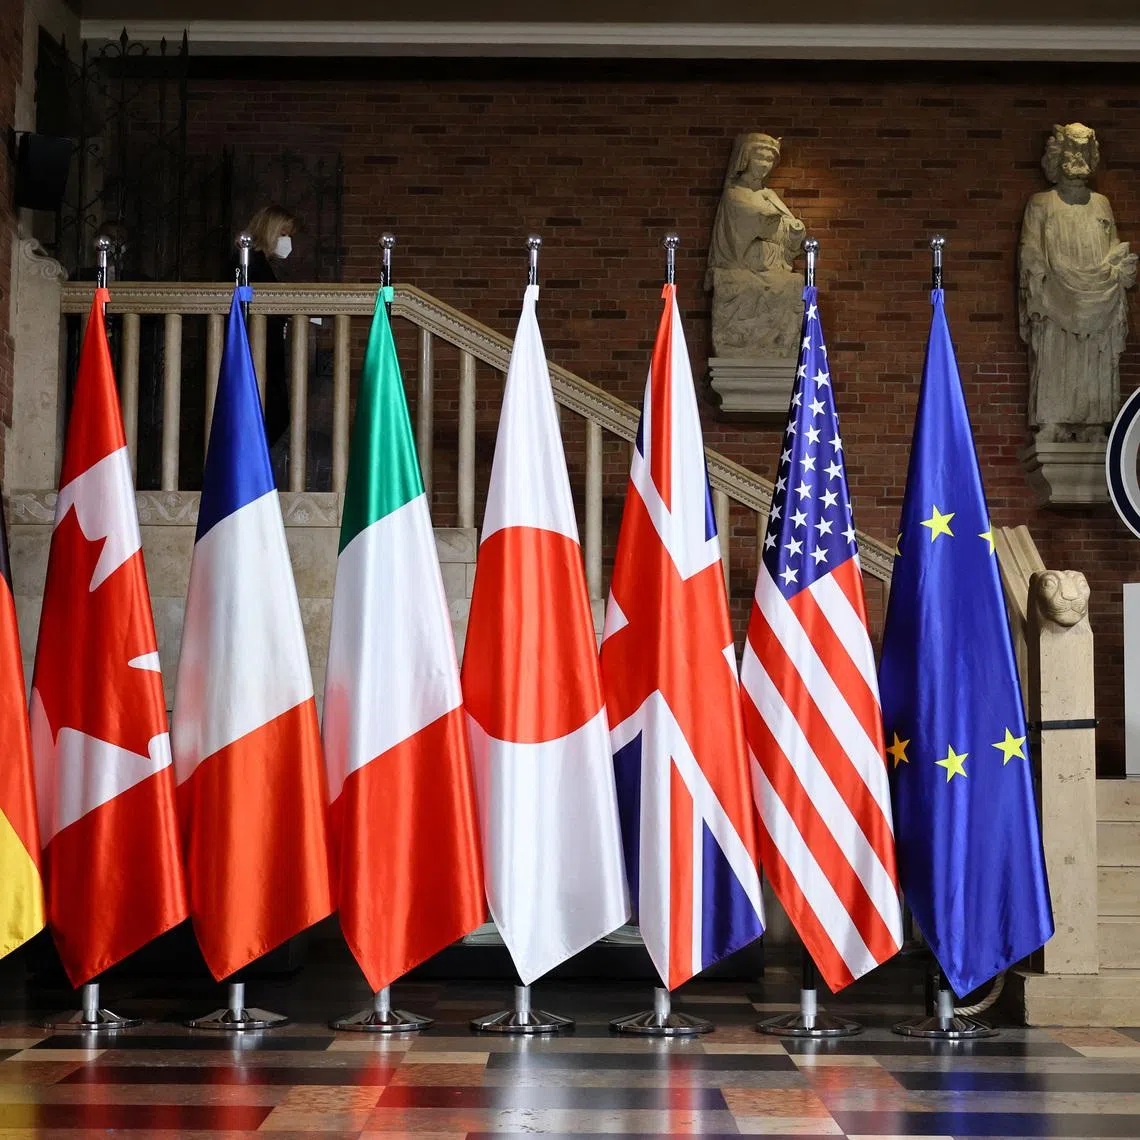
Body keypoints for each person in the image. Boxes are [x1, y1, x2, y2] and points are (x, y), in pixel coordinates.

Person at [1018, 123, 1137, 442]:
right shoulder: (1041, 203)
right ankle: (1053, 420)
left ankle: (1093, 423)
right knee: (1055, 352)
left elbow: (1112, 246)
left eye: (1084, 151)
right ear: (1057, 157)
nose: (1078, 158)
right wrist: (1037, 277)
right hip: (1056, 296)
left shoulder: (1101, 204)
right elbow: (1030, 248)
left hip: (1098, 295)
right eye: (1072, 150)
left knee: (1094, 353)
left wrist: (1121, 265)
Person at [704, 133, 805, 359]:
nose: (765, 164)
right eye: (760, 157)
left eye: (769, 159)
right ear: (745, 158)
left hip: (772, 264)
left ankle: (780, 343)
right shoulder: (734, 194)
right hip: (745, 262)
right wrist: (770, 222)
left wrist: (794, 230)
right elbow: (753, 223)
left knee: (793, 284)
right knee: (746, 288)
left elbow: (783, 229)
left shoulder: (769, 195)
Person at [232, 205, 296, 448]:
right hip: (256, 346)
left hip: (266, 346)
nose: (286, 241)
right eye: (283, 234)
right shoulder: (249, 261)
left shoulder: (259, 261)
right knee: (271, 413)